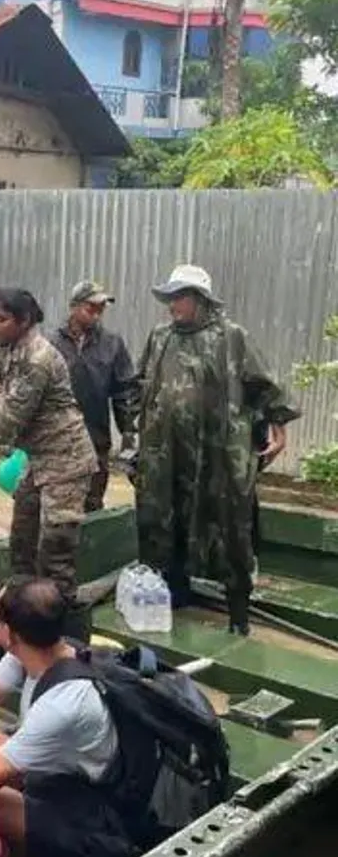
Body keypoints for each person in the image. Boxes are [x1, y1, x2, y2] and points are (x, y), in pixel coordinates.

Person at [134, 265, 301, 636]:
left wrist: (279, 429)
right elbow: (140, 385)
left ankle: (238, 613)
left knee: (228, 526)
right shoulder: (160, 337)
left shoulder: (232, 337)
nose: (172, 305)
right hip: (166, 454)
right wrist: (135, 440)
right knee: (163, 519)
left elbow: (266, 387)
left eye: (180, 297)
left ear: (200, 299)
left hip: (218, 456)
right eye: (170, 297)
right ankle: (173, 596)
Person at [0, 580, 137, 857]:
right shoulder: (36, 651)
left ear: (11, 634)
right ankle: (29, 856)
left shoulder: (63, 706)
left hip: (94, 814)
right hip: (58, 778)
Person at [0, 288, 98, 634]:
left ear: (24, 320)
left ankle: (62, 634)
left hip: (66, 460)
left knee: (55, 553)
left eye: (1, 319)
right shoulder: (12, 348)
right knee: (22, 540)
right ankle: (21, 619)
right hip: (38, 459)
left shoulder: (37, 359)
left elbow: (6, 423)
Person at [49, 281, 136, 513]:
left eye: (101, 309)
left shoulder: (112, 344)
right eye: (91, 308)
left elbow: (125, 392)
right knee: (55, 507)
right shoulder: (51, 344)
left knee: (92, 506)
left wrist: (129, 435)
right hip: (56, 442)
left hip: (95, 441)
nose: (97, 315)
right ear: (74, 307)